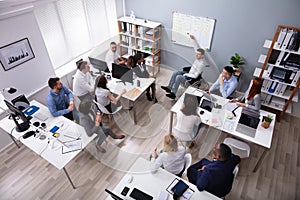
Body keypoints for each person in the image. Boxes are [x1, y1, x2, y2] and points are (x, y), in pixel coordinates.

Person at [161, 34, 206, 99]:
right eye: (197, 54)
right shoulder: (199, 57)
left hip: (191, 78)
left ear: (202, 56)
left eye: (198, 54)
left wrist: (186, 74)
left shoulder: (201, 64)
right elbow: (196, 48)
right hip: (189, 73)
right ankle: (169, 87)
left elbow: (195, 76)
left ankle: (173, 94)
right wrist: (193, 40)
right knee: (176, 72)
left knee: (179, 77)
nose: (196, 55)